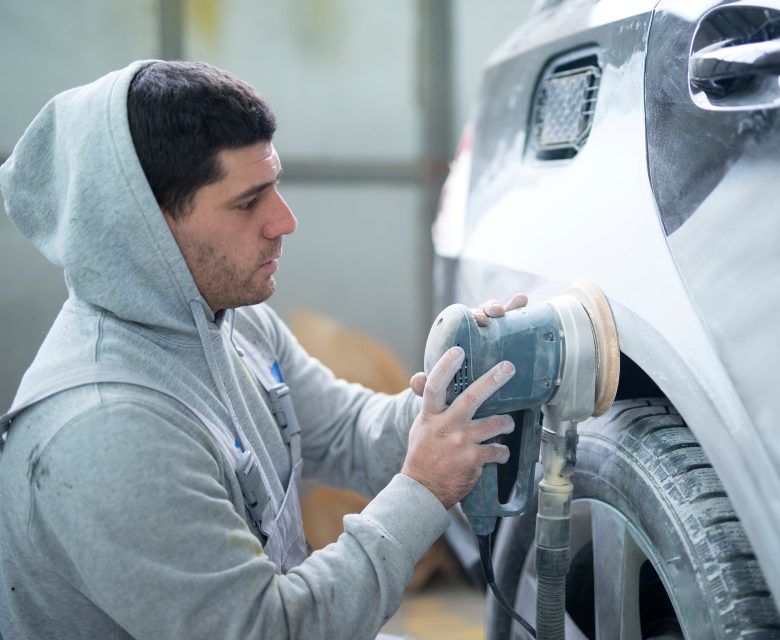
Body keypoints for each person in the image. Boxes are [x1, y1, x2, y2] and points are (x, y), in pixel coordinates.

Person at [0, 60, 525, 639]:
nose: (285, 220)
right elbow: (268, 630)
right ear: (145, 226)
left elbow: (348, 430)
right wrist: (423, 490)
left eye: (275, 185)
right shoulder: (108, 430)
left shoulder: (234, 322)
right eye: (248, 202)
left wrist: (464, 387)